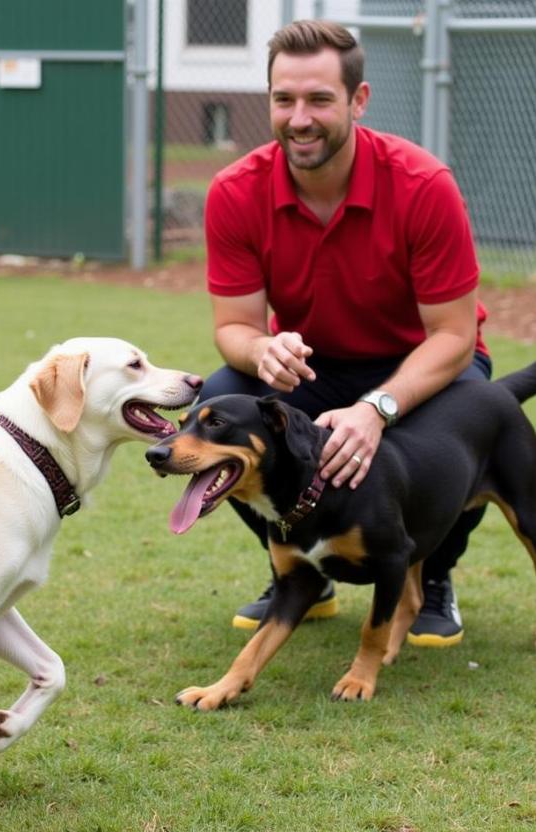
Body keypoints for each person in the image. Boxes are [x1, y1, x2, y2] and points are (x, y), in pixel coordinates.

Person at [200, 19, 490, 647]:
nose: (299, 118)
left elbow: (453, 337)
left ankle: (432, 574)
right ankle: (303, 569)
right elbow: (234, 327)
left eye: (319, 100)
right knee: (223, 397)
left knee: (467, 421)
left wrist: (377, 408)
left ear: (358, 101)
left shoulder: (423, 185)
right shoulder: (234, 191)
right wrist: (261, 349)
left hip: (425, 365)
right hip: (316, 365)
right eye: (284, 99)